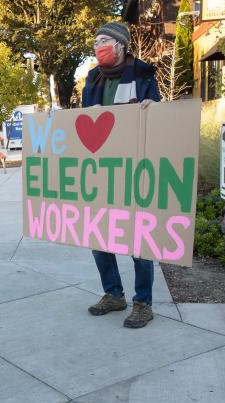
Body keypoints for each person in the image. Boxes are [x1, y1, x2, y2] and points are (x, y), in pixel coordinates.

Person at [82, 22, 161, 329]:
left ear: (120, 45)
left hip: (135, 168)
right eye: (95, 41)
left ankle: (143, 303)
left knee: (139, 240)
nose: (97, 46)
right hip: (101, 170)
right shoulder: (92, 78)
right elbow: (85, 120)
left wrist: (152, 107)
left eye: (103, 41)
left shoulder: (143, 75)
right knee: (98, 236)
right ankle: (113, 294)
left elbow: (158, 117)